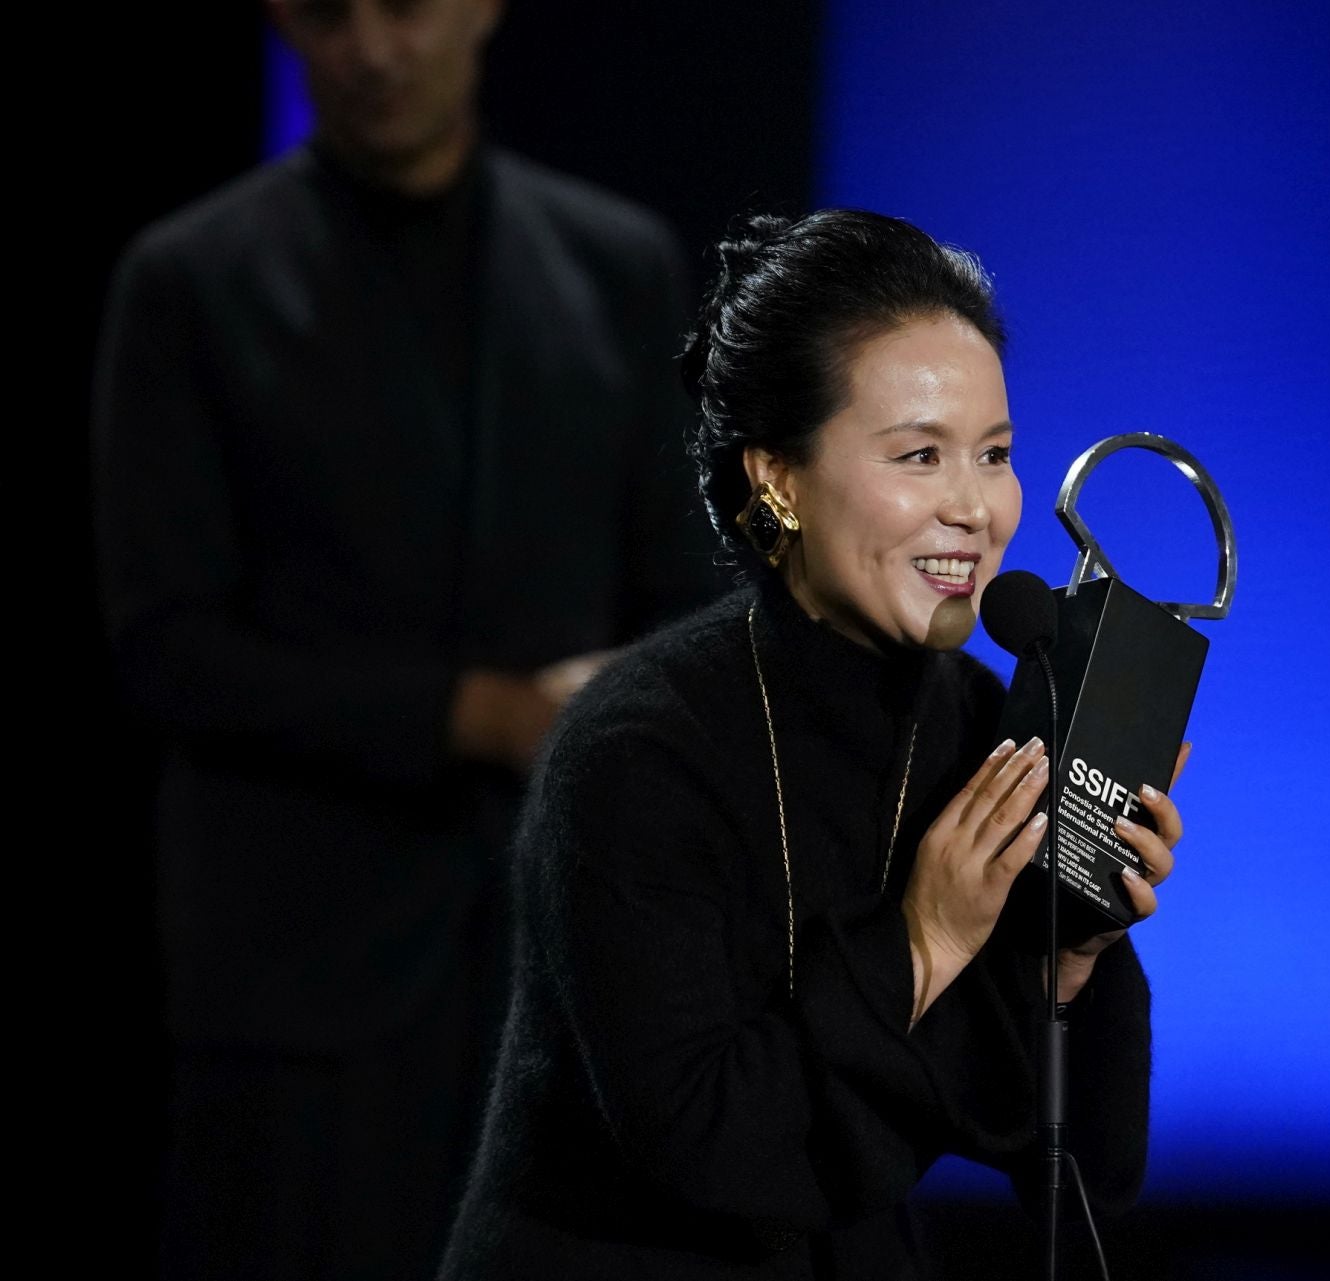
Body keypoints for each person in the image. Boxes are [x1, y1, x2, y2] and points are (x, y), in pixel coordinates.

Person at [440, 209, 1191, 1278]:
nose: (975, 508)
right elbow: (703, 1141)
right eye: (920, 455)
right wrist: (922, 943)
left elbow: (1084, 1174)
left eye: (994, 454)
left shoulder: (982, 722)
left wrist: (1071, 956)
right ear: (778, 480)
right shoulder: (637, 748)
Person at [91, 1, 718, 1276]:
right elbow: (165, 644)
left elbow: (686, 594)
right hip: (295, 980)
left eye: (408, 6)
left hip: (563, 966)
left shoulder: (616, 263)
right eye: (332, 12)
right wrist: (475, 714)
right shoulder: (190, 280)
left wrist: (623, 707)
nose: (373, 50)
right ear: (281, 18)